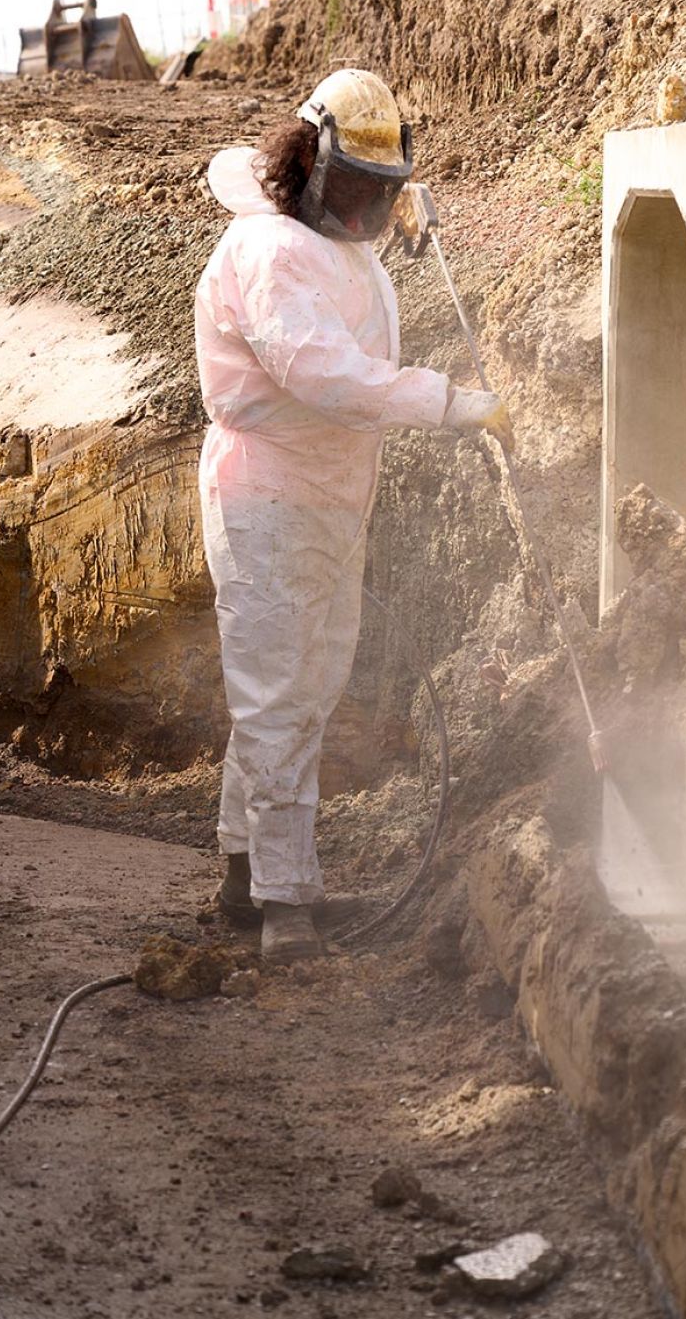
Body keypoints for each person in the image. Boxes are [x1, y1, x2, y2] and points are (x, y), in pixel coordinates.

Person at [194, 69, 512, 964]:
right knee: (275, 697)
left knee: (305, 682)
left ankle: (243, 874)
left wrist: (388, 217)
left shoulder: (340, 239)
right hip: (270, 496)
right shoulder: (266, 252)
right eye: (357, 189)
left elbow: (352, 281)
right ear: (308, 163)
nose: (368, 209)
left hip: (330, 492)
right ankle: (288, 906)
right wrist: (448, 401)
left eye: (385, 191)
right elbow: (320, 370)